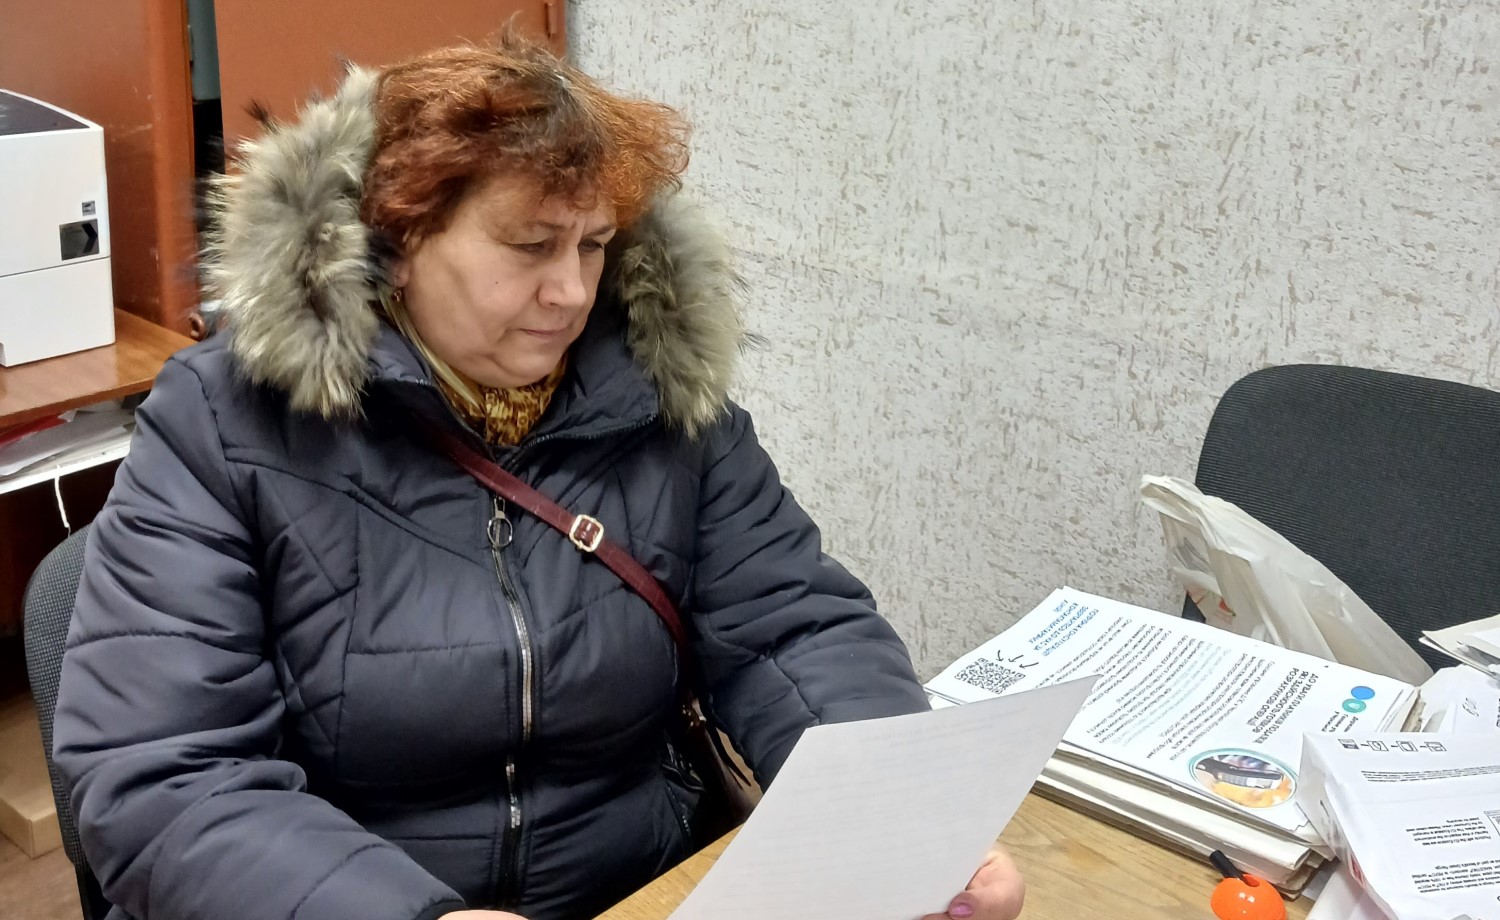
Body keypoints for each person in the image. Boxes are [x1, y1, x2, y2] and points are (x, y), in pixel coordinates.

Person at [52, 33, 1025, 920]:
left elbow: (792, 627)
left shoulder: (658, 396)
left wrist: (899, 816)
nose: (571, 290)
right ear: (395, 242)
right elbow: (166, 774)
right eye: (530, 246)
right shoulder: (224, 422)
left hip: (643, 885)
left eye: (594, 245)